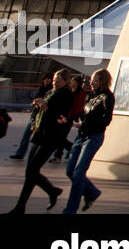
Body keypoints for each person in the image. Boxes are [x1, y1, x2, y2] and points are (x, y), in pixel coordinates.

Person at [8, 67, 74, 213]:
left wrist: (46, 107)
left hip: (52, 136)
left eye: (58, 81)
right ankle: (41, 196)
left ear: (65, 81)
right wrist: (37, 105)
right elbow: (42, 110)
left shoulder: (66, 95)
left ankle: (47, 193)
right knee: (30, 171)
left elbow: (59, 116)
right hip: (40, 134)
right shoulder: (51, 92)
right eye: (54, 80)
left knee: (32, 171)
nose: (54, 83)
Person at [62, 68, 113, 214]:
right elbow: (83, 114)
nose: (92, 82)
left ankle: (70, 210)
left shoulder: (107, 97)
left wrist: (86, 124)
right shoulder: (90, 95)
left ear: (103, 81)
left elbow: (107, 120)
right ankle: (91, 192)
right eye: (92, 79)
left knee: (78, 173)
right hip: (81, 135)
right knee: (70, 170)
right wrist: (71, 120)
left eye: (95, 80)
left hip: (94, 137)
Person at [9, 73, 53, 161]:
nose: (46, 80)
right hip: (35, 115)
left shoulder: (50, 90)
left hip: (42, 117)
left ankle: (34, 155)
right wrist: (35, 103)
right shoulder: (42, 88)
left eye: (49, 79)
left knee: (37, 138)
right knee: (26, 135)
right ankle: (20, 153)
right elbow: (35, 100)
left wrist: (39, 103)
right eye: (45, 78)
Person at [51, 74, 86, 162]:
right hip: (63, 116)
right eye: (71, 81)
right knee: (60, 136)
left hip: (70, 117)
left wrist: (72, 117)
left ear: (78, 83)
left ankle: (64, 151)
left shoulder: (81, 93)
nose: (72, 83)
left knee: (61, 137)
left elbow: (78, 107)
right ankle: (61, 153)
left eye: (74, 82)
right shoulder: (69, 90)